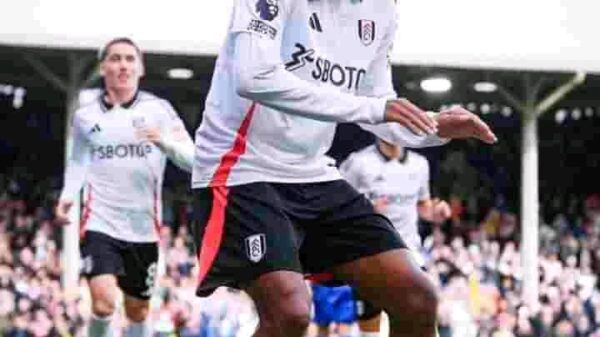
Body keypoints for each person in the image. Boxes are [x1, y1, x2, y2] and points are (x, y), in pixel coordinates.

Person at [190, 0, 497, 336]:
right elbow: (254, 78)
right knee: (289, 311)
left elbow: (379, 101)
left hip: (313, 173)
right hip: (240, 168)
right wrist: (375, 108)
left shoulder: (382, 9)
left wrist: (433, 127)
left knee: (417, 297)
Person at [54, 37, 195, 337]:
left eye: (130, 59)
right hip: (100, 223)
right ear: (103, 66)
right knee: (104, 303)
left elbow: (194, 161)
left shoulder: (160, 111)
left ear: (140, 68)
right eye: (116, 58)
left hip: (143, 229)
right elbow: (79, 160)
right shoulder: (85, 116)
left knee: (138, 311)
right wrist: (68, 195)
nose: (123, 65)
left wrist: (163, 142)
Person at [340, 138, 452, 337]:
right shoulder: (358, 162)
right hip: (369, 254)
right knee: (370, 329)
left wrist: (436, 213)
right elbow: (337, 205)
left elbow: (422, 206)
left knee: (419, 314)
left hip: (410, 252)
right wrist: (367, 210)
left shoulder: (419, 164)